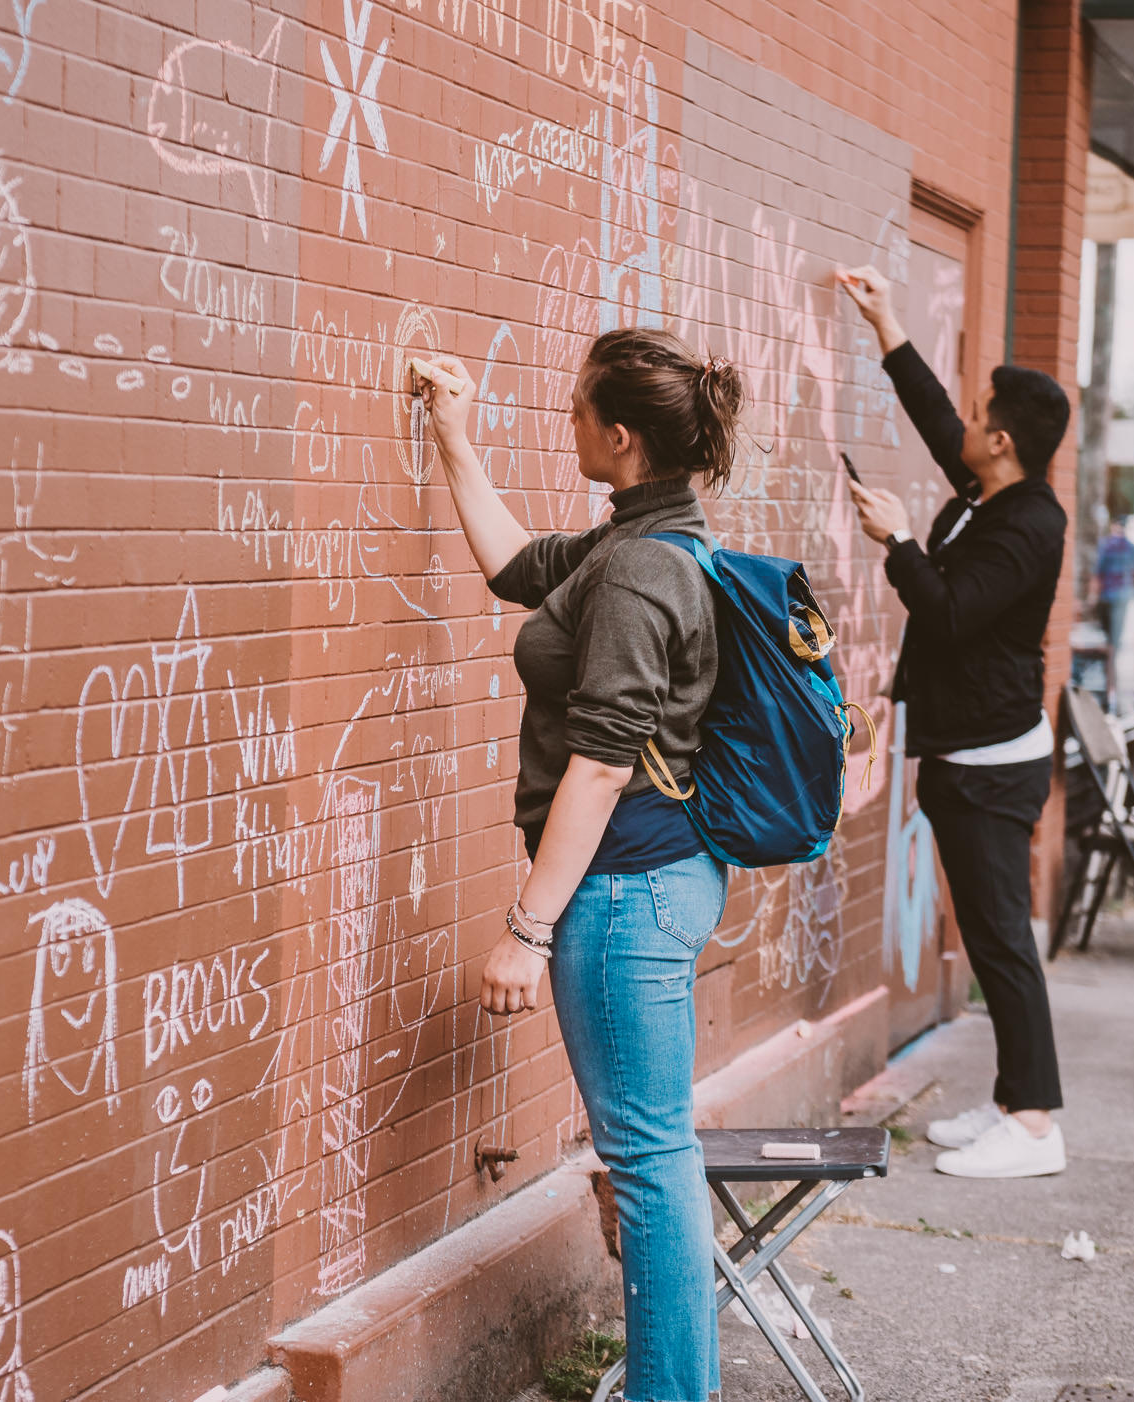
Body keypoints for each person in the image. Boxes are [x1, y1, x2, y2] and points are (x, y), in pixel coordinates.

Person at [414, 328, 737, 1400]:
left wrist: (526, 926)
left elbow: (600, 765)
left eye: (577, 410)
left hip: (625, 890)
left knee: (648, 1164)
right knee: (654, 1157)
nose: (566, 422)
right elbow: (514, 565)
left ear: (622, 436)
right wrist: (453, 436)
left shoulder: (641, 569)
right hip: (654, 878)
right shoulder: (636, 540)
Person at [836, 263, 1072, 1179]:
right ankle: (1015, 1100)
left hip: (993, 759)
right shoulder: (993, 493)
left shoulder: (1027, 526)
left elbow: (948, 612)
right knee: (989, 930)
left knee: (1002, 937)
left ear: (1004, 441)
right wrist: (888, 323)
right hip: (968, 749)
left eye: (982, 416)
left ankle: (1038, 1124)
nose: (965, 424)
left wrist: (897, 539)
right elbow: (939, 422)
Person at [1093, 516, 1134, 709]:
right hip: (1120, 596)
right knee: (1113, 646)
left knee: (1110, 644)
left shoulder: (1105, 545)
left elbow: (1097, 573)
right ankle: (1112, 691)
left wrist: (1093, 597)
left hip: (1107, 596)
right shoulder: (1131, 548)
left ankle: (1110, 687)